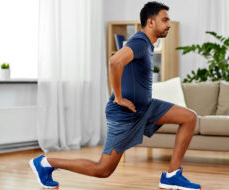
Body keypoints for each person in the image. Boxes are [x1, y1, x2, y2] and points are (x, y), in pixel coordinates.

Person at [29, 2, 201, 189]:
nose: (169, 24)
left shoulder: (149, 44)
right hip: (125, 113)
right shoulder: (141, 41)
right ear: (150, 22)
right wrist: (118, 97)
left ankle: (172, 176)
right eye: (165, 19)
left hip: (146, 107)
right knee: (103, 169)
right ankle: (46, 163)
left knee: (189, 117)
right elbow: (114, 62)